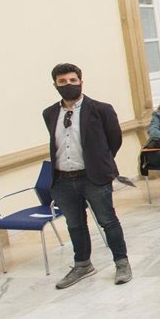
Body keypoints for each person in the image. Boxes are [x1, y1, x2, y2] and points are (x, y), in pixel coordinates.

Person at [44, 63, 131, 288]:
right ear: (55, 85)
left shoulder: (101, 109)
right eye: (62, 81)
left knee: (108, 222)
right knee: (75, 225)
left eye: (72, 80)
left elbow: (114, 140)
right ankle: (82, 264)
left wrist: (100, 163)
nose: (68, 84)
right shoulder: (50, 113)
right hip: (63, 179)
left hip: (93, 177)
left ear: (81, 82)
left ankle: (121, 263)